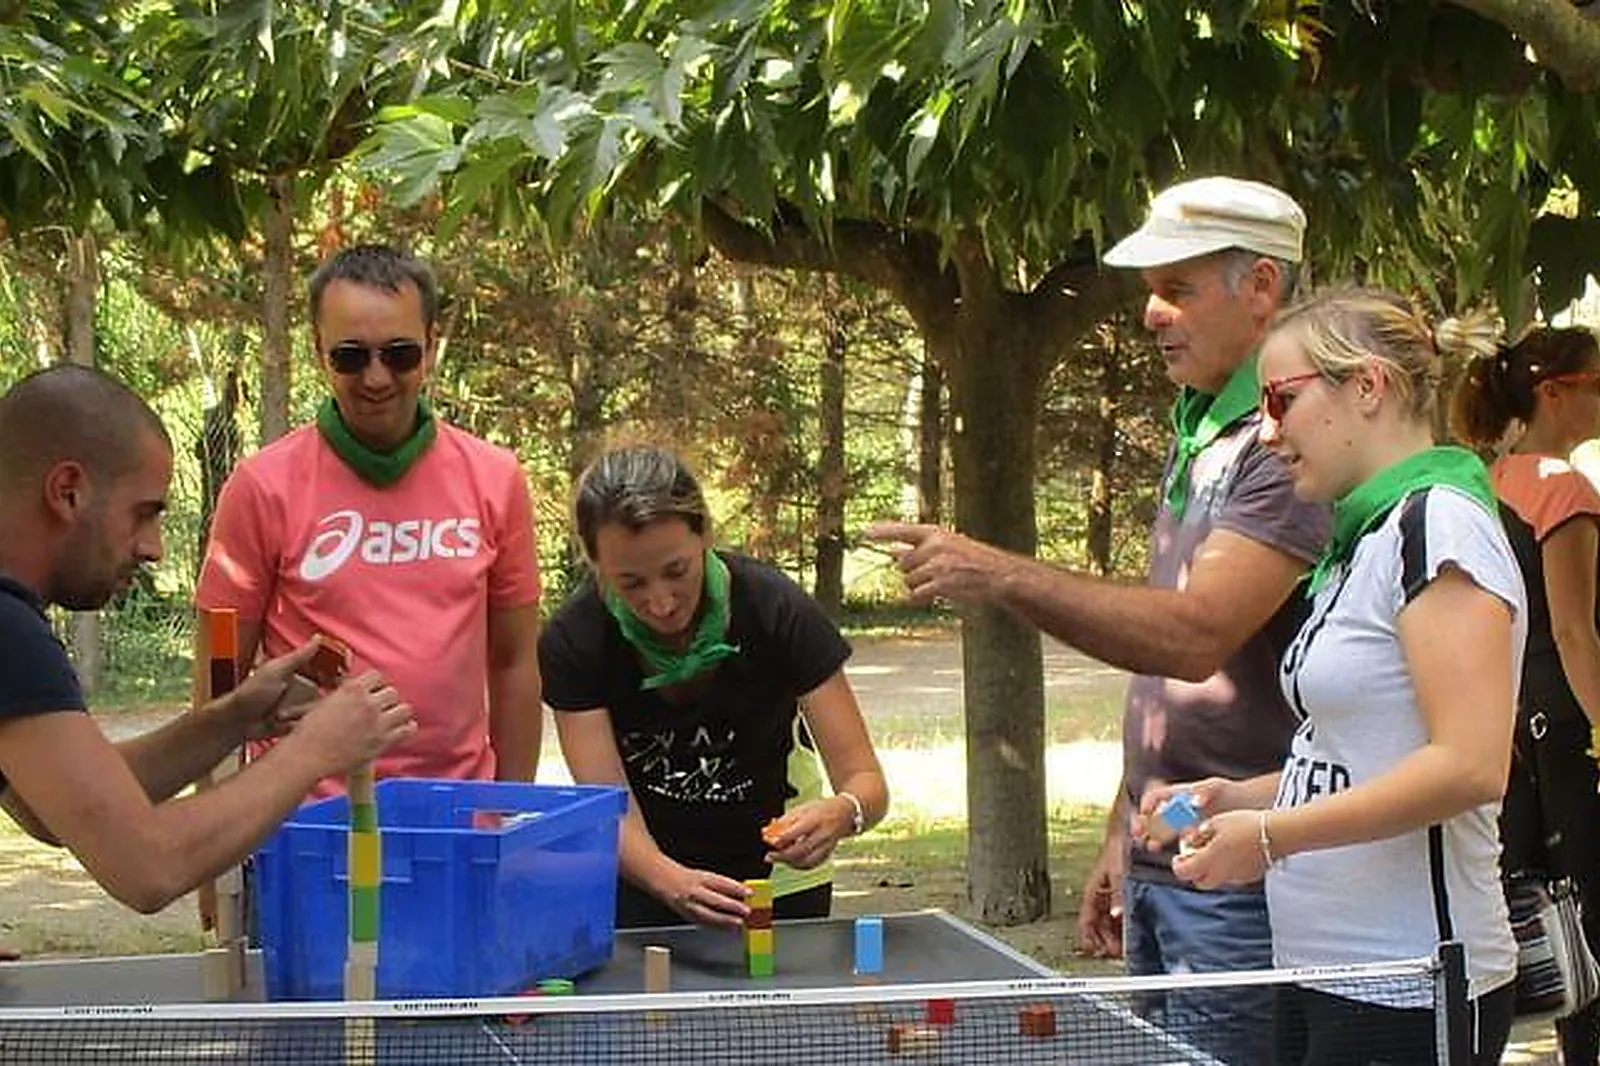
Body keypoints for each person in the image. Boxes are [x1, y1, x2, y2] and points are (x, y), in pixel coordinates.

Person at [869, 177, 1329, 1065]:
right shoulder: (1202, 428)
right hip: (1170, 864)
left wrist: (995, 570)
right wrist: (1124, 832)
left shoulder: (1288, 446)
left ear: (1263, 286)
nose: (1152, 314)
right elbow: (1159, 668)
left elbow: (1192, 637)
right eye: (1149, 291)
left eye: (1179, 288)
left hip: (1246, 869)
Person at [1154, 288, 1522, 1064]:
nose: (1267, 430)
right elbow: (1361, 754)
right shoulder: (1365, 534)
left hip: (1412, 981)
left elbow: (1469, 766)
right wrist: (1244, 796)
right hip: (1324, 967)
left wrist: (1270, 834)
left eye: (1281, 401)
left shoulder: (1438, 523)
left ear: (1368, 386)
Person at [0, 365, 414, 914]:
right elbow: (147, 865)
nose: (154, 549)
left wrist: (232, 719)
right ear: (68, 491)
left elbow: (51, 811)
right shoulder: (10, 634)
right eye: (143, 514)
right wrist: (316, 748)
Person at [198, 244, 543, 796]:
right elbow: (219, 676)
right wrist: (217, 853)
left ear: (430, 347)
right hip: (304, 823)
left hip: (453, 822)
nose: (377, 377)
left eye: (400, 354)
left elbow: (514, 663)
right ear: (319, 352)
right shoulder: (261, 485)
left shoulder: (496, 479)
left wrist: (507, 812)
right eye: (351, 356)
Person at [538, 445, 889, 930]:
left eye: (676, 571)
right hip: (645, 876)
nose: (660, 603)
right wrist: (667, 880)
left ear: (704, 532)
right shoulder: (575, 640)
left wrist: (840, 813)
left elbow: (867, 784)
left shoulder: (776, 610)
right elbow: (608, 808)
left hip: (778, 883)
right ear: (594, 561)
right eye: (631, 582)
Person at [1453, 325, 1600, 1064]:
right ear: (1554, 393)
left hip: (1507, 727)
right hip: (1565, 732)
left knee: (1547, 919)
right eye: (1598, 386)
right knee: (1591, 932)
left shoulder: (1483, 480)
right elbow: (1575, 634)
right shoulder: (1563, 488)